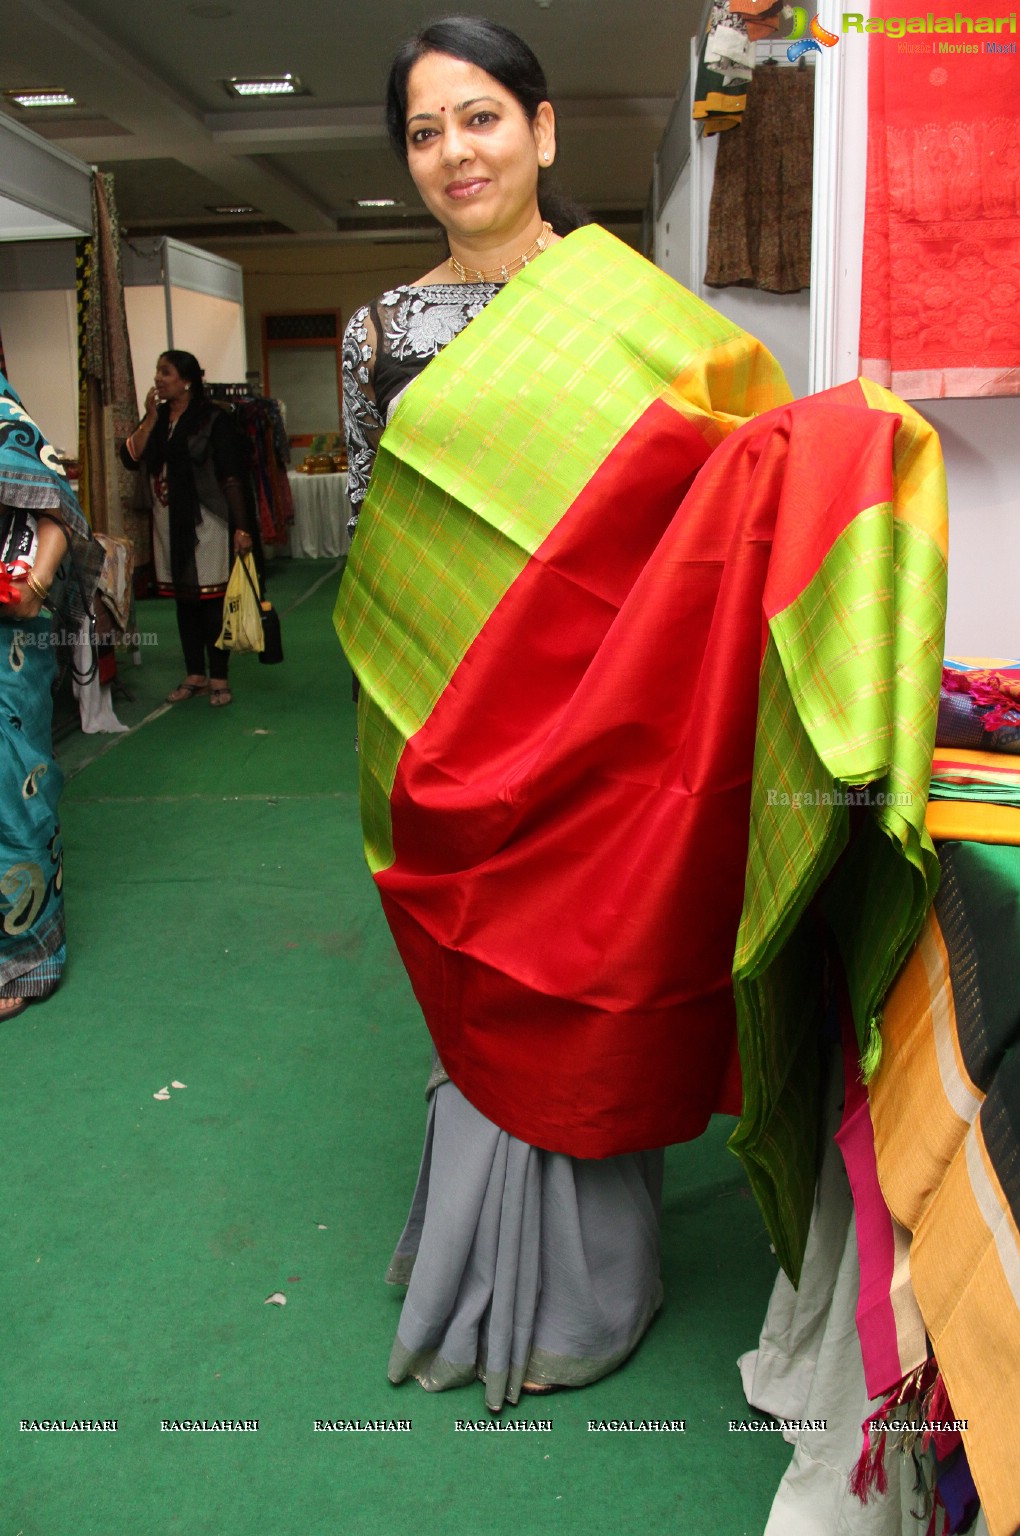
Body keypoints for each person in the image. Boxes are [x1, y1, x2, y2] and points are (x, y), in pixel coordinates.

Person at [340, 16, 680, 1412]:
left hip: (602, 722)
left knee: (587, 983)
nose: (453, 153)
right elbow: (374, 535)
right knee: (482, 987)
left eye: (478, 118)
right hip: (452, 722)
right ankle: (479, 1270)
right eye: (425, 132)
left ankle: (591, 1287)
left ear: (542, 131)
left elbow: (687, 516)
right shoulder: (380, 331)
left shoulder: (628, 308)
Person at [0, 370, 103, 1020]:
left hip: (6, 638)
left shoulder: (4, 416)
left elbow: (58, 504)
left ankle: (26, 956)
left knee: (13, 789)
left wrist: (32, 585)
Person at [121, 350, 254, 708]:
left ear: (187, 380)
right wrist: (149, 417)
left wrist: (242, 526)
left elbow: (230, 474)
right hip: (168, 522)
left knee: (212, 601)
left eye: (166, 372)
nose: (159, 378)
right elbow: (130, 457)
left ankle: (219, 677)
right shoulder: (160, 418)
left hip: (207, 522)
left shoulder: (213, 419)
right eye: (157, 371)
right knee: (185, 600)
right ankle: (194, 674)